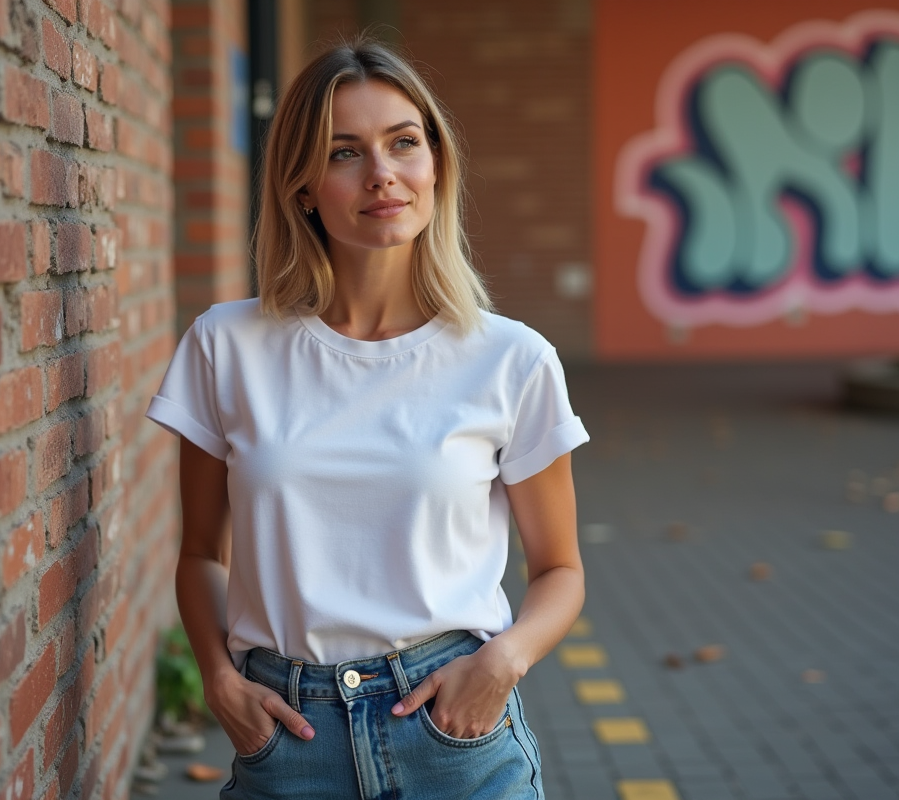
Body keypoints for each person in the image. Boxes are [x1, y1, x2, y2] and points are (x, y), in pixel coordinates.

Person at [146, 37, 589, 800]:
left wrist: (502, 663)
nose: (382, 173)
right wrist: (219, 681)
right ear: (303, 187)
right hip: (288, 737)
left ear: (436, 166)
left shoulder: (512, 359)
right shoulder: (227, 346)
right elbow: (200, 557)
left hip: (456, 735)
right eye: (344, 152)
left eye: (403, 144)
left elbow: (560, 571)